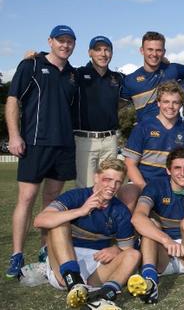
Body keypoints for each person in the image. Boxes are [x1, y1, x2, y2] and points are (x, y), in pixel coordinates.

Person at [6, 25, 78, 277]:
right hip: (35, 143)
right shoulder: (31, 65)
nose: (65, 45)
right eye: (61, 40)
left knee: (51, 200)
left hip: (63, 145)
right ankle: (16, 254)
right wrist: (14, 135)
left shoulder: (73, 74)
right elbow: (13, 100)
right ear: (50, 41)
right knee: (26, 199)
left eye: (70, 41)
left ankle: (45, 249)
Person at [33, 158, 139, 310]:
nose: (112, 186)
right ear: (96, 177)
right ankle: (74, 284)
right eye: (107, 179)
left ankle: (102, 298)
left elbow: (128, 250)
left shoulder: (120, 211)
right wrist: (80, 211)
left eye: (118, 182)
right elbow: (39, 220)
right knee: (58, 223)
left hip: (95, 268)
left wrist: (116, 249)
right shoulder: (76, 196)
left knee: (134, 255)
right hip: (64, 265)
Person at [128, 147, 184, 303]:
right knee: (150, 223)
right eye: (177, 168)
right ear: (168, 170)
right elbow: (137, 218)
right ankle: (150, 282)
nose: (183, 173)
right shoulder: (155, 186)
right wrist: (166, 240)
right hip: (161, 256)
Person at [122, 81, 184, 209]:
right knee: (127, 194)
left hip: (173, 187)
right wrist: (146, 189)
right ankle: (126, 228)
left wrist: (182, 189)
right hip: (143, 183)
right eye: (166, 102)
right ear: (158, 103)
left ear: (180, 105)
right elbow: (129, 164)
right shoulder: (143, 128)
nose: (170, 106)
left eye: (175, 102)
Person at [73, 36, 124, 189]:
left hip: (110, 140)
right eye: (98, 50)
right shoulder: (78, 74)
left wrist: (163, 64)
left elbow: (139, 82)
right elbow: (56, 68)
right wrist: (38, 57)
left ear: (112, 53)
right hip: (85, 140)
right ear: (90, 52)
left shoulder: (117, 78)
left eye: (107, 50)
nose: (103, 54)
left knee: (110, 187)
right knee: (87, 189)